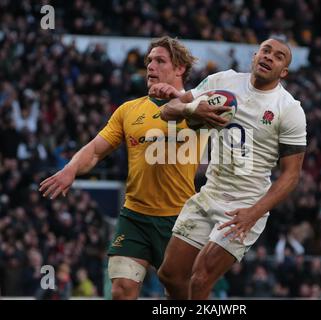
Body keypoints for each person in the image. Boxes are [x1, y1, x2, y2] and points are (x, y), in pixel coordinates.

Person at [38, 36, 224, 300]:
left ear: (180, 68)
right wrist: (70, 169)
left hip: (180, 219)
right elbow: (94, 150)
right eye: (149, 60)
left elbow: (227, 111)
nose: (150, 66)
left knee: (182, 295)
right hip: (135, 215)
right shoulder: (128, 110)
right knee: (121, 290)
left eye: (160, 61)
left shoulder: (197, 106)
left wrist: (180, 98)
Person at [153, 38, 307, 299]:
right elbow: (169, 111)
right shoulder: (223, 82)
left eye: (278, 56)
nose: (269, 56)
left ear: (284, 72)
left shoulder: (289, 110)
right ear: (254, 56)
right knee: (170, 275)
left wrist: (253, 213)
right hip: (210, 193)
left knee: (200, 278)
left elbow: (291, 175)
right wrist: (193, 109)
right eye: (266, 51)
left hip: (245, 205)